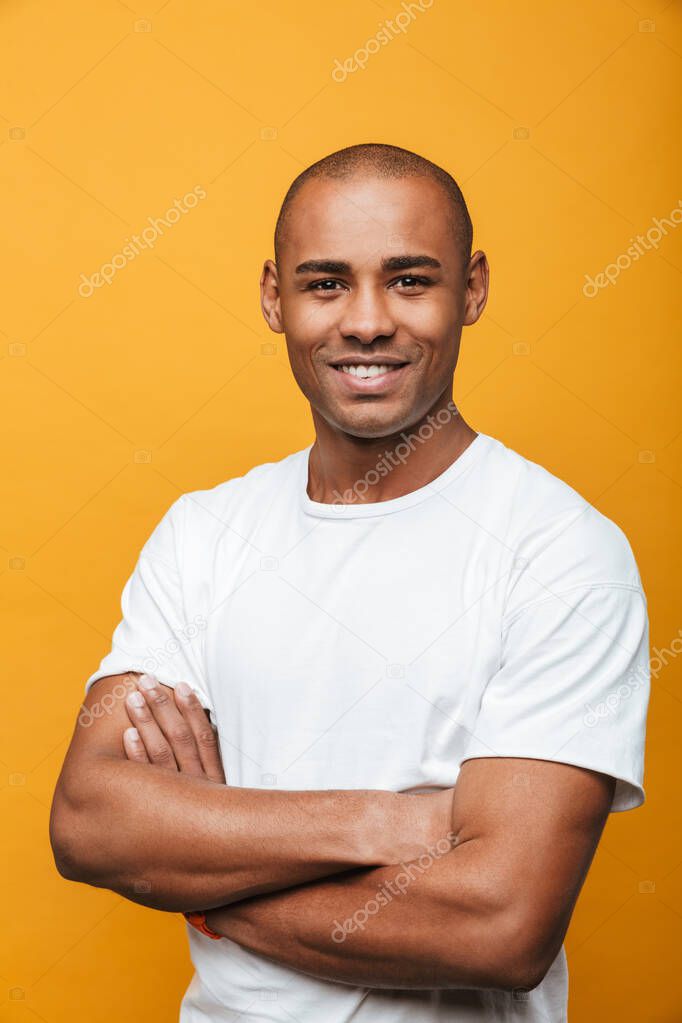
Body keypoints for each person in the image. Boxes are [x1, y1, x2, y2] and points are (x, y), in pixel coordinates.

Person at [50, 143, 650, 1022]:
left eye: (410, 280)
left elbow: (502, 926)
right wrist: (396, 820)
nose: (367, 322)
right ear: (273, 297)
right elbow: (91, 821)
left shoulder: (561, 553)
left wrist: (210, 880)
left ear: (473, 289)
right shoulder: (202, 534)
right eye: (326, 283)